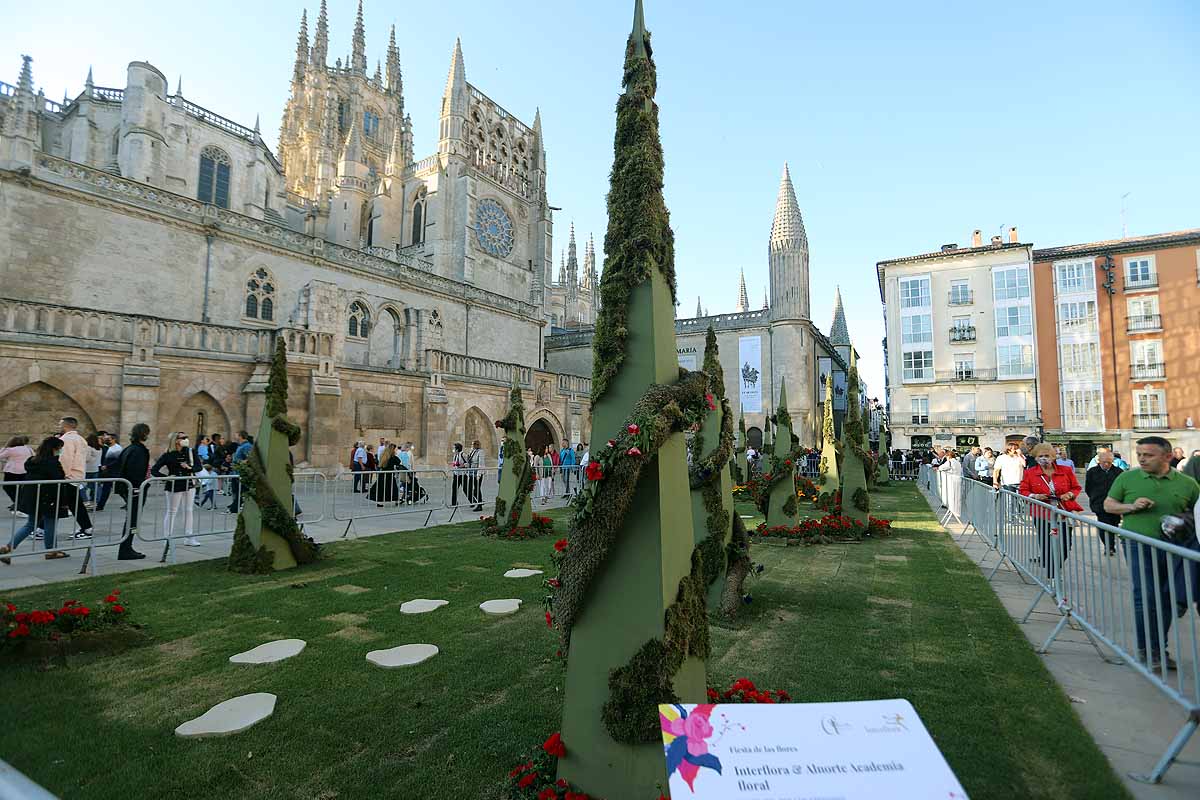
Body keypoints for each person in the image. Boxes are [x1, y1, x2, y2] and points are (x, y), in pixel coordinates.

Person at [1104, 436, 1200, 670]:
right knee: (1144, 596)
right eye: (1139, 455)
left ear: (1167, 457)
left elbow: (1196, 514)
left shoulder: (1188, 484)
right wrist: (1131, 507)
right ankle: (1148, 650)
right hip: (1138, 544)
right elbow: (1109, 505)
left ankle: (1159, 649)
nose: (1142, 459)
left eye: (1148, 455)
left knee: (1167, 598)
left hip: (1174, 548)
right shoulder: (1128, 477)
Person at [0, 436, 72, 563]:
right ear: (54, 448)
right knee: (50, 524)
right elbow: (58, 482)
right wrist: (63, 502)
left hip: (34, 497)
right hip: (49, 498)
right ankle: (51, 551)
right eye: (60, 448)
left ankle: (8, 547)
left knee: (30, 524)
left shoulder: (32, 461)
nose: (60, 451)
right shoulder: (52, 463)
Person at [1018, 443, 1083, 578]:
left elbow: (1076, 487)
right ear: (1035, 458)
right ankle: (1052, 575)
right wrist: (1034, 496)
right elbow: (1023, 490)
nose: (1044, 459)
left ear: (1053, 457)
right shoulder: (1030, 473)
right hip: (1042, 513)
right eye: (1040, 456)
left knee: (1065, 546)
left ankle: (1055, 566)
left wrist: (1070, 495)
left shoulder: (1065, 470)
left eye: (1047, 456)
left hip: (1063, 512)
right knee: (1047, 544)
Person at [152, 431, 200, 547]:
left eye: (186, 437)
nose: (186, 439)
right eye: (183, 437)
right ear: (176, 440)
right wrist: (166, 477)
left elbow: (198, 467)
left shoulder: (190, 452)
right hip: (174, 485)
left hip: (189, 484)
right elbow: (154, 470)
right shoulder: (168, 454)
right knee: (172, 511)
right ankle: (167, 538)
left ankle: (189, 537)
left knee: (188, 510)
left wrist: (189, 468)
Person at [115, 422, 151, 560]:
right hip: (135, 489)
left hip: (130, 488)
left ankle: (126, 548)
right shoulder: (138, 450)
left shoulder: (130, 448)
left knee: (131, 519)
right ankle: (125, 549)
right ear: (144, 434)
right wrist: (138, 487)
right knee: (132, 520)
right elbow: (135, 471)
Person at [56, 417, 94, 538]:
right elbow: (87, 458)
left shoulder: (66, 439)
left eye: (60, 424)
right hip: (77, 475)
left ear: (65, 426)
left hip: (68, 476)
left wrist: (62, 474)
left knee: (70, 503)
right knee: (71, 503)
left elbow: (65, 458)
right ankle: (87, 528)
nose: (59, 426)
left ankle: (87, 529)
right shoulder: (81, 439)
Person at [1084, 449, 1123, 555]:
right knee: (1103, 524)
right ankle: (1108, 546)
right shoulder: (1092, 472)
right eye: (1104, 462)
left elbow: (1122, 488)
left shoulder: (1118, 472)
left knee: (1114, 524)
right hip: (1099, 503)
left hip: (1115, 504)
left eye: (1109, 462)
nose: (1106, 464)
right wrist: (1094, 497)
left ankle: (1111, 543)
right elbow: (1088, 487)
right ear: (1099, 461)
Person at [0, 436, 33, 514]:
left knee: (8, 487)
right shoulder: (28, 448)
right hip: (25, 471)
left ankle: (19, 503)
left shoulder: (10, 450)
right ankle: (19, 503)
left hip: (12, 471)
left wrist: (5, 447)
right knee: (20, 489)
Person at [95, 432, 123, 511]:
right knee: (106, 489)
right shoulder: (108, 448)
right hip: (108, 472)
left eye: (108, 439)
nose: (106, 440)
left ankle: (128, 500)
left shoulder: (117, 448)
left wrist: (107, 466)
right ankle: (100, 506)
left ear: (114, 440)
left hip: (114, 472)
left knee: (118, 489)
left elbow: (118, 461)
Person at [83, 432, 103, 505]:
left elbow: (86, 458)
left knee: (83, 486)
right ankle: (95, 500)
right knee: (95, 486)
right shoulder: (100, 448)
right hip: (96, 468)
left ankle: (85, 500)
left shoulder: (89, 448)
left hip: (88, 469)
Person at [466, 440, 484, 511]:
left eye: (473, 444)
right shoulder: (472, 451)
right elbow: (469, 460)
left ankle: (479, 504)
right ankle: (475, 501)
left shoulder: (480, 452)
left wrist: (479, 474)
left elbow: (481, 463)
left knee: (477, 488)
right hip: (471, 472)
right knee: (470, 488)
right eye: (472, 444)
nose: (472, 445)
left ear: (477, 445)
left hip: (477, 473)